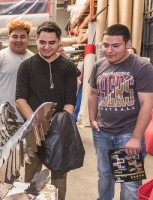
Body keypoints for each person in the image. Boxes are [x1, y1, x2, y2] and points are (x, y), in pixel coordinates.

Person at [88, 24, 153, 200]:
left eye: (116, 46)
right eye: (106, 45)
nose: (109, 50)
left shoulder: (141, 67)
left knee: (129, 184)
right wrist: (92, 119)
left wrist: (136, 137)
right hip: (102, 132)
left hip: (128, 133)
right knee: (104, 177)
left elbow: (147, 104)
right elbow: (93, 94)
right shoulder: (98, 66)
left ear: (128, 43)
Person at [16, 21, 77, 200]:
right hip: (34, 130)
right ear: (37, 40)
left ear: (59, 42)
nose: (47, 47)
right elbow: (20, 99)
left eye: (52, 42)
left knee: (59, 177)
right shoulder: (26, 66)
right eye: (42, 42)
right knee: (32, 177)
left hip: (60, 129)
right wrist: (37, 124)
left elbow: (70, 101)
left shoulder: (68, 67)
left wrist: (59, 127)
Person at [0, 20, 34, 128]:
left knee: (26, 146)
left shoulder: (33, 59)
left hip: (28, 118)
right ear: (8, 37)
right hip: (2, 119)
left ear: (28, 39)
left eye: (23, 36)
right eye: (15, 36)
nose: (18, 40)